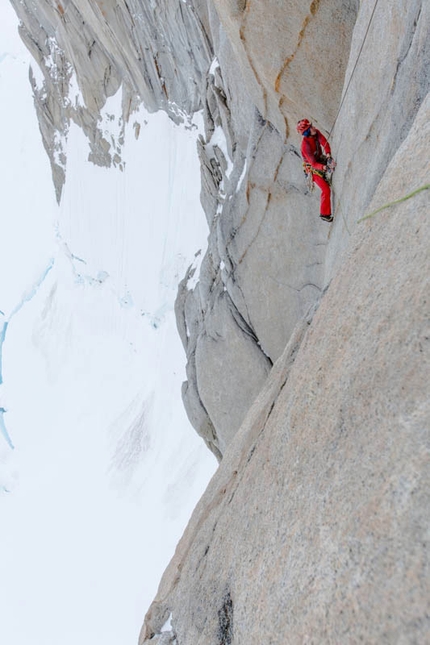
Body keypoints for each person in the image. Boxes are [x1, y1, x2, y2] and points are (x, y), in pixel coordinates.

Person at [296, 119, 336, 222]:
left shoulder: (316, 133)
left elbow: (324, 142)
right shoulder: (305, 146)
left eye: (312, 126)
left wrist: (328, 156)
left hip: (319, 159)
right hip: (312, 169)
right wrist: (325, 167)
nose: (314, 128)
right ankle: (324, 214)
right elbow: (313, 164)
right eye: (311, 128)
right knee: (326, 190)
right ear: (307, 132)